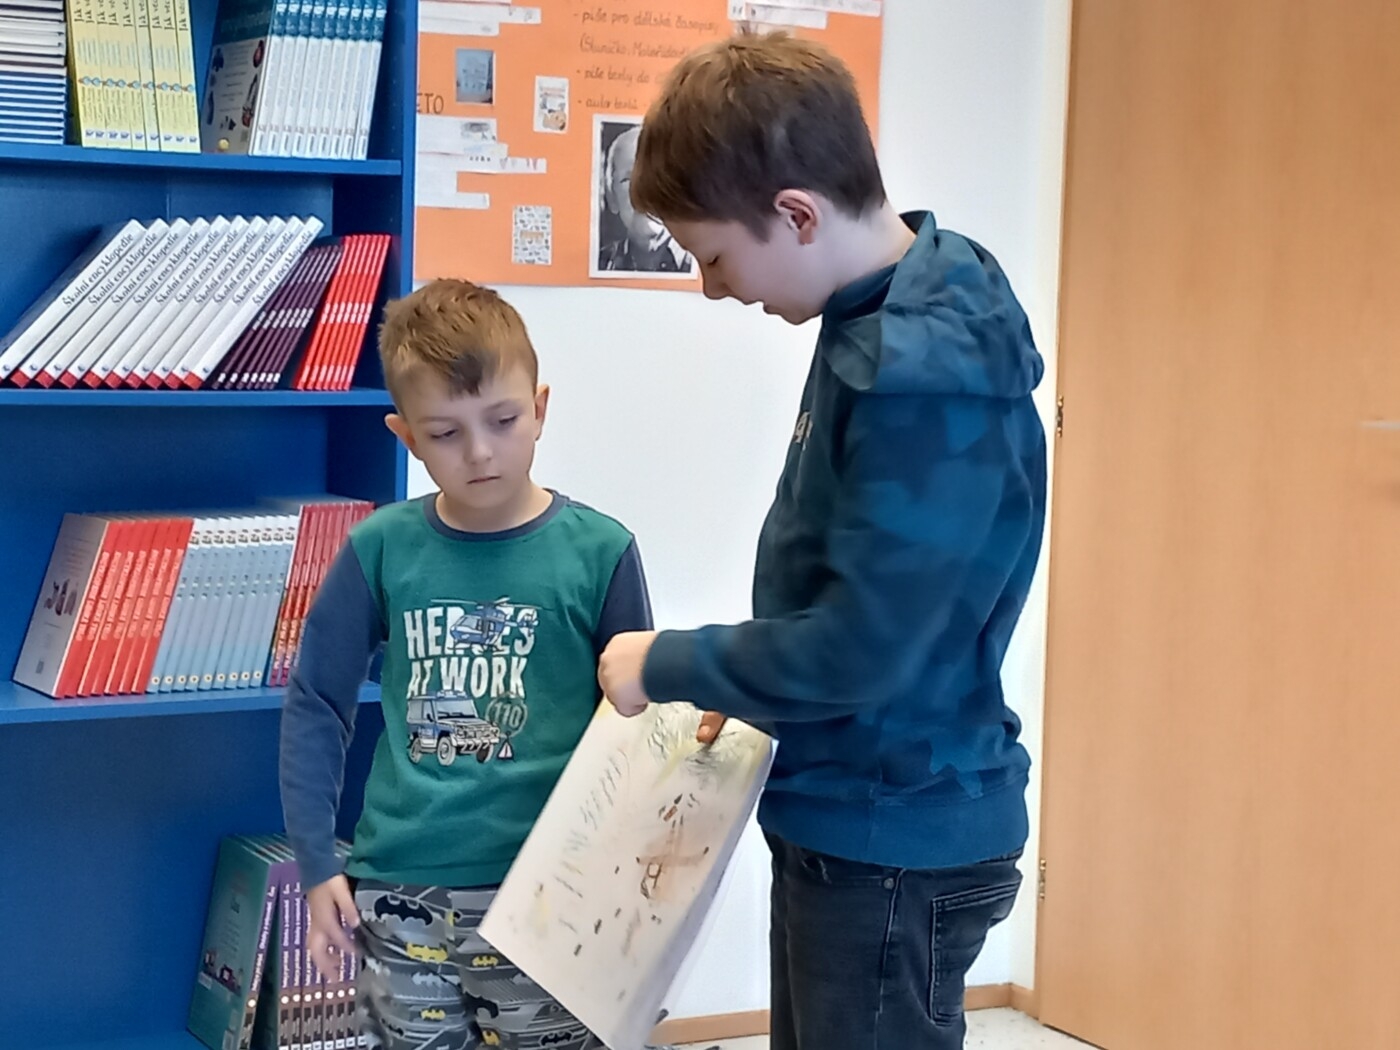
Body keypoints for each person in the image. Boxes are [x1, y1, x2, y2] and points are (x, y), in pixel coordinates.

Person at [597, 30, 1048, 1050]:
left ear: (796, 214)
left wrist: (669, 663)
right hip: (854, 802)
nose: (712, 287)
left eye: (714, 257)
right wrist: (751, 686)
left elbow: (859, 649)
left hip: (893, 828)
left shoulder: (919, 372)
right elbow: (859, 592)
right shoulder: (882, 305)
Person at [281, 279, 677, 1050]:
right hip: (400, 892)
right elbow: (317, 703)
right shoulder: (379, 548)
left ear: (541, 408)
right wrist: (317, 861)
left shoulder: (600, 552)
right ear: (406, 437)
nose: (481, 452)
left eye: (503, 420)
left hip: (550, 893)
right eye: (445, 433)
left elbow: (637, 732)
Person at [597, 124, 692, 275]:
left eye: (659, 178)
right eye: (629, 179)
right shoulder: (603, 261)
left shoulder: (701, 261)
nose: (645, 194)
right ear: (611, 196)